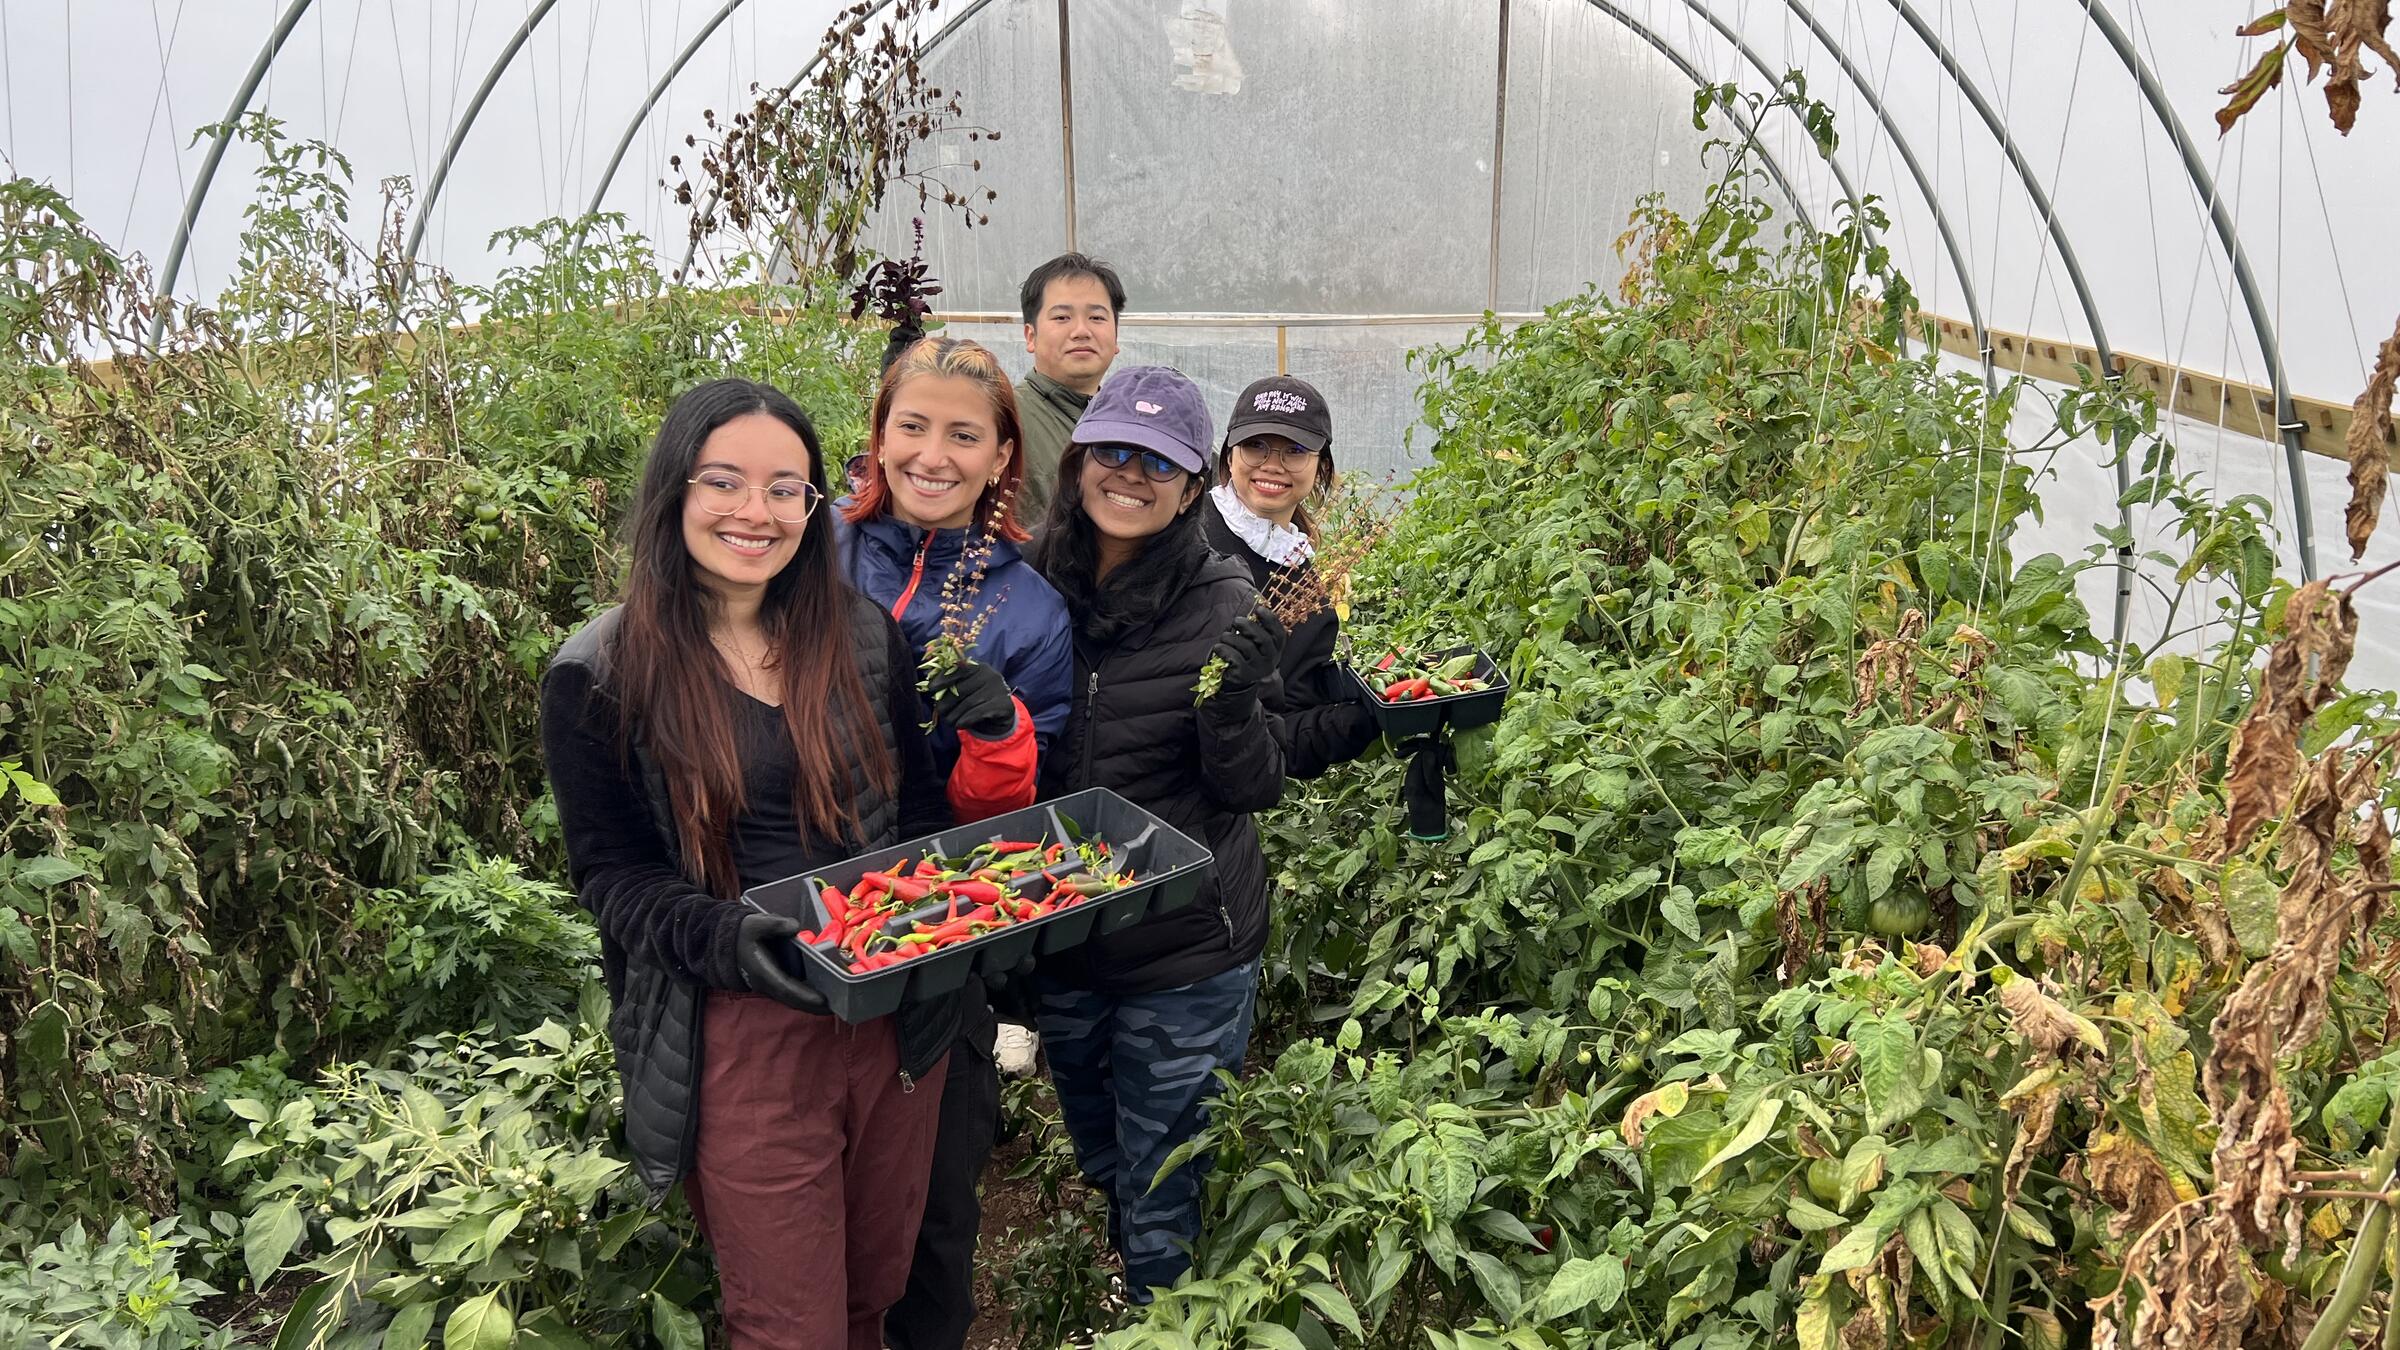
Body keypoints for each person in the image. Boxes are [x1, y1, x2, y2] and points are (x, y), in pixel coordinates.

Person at [541, 378, 958, 1350]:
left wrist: (975, 929)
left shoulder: (861, 636)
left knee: (871, 1294)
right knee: (788, 1327)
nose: (755, 512)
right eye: (725, 482)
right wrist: (732, 937)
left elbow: (922, 813)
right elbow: (614, 878)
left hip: (893, 1011)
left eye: (787, 490)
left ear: (815, 507)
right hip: (744, 1031)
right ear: (674, 493)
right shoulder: (601, 673)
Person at [1024, 365, 1288, 1300]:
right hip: (1062, 934)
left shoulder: (1224, 601)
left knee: (1168, 1175)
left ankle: (1157, 1309)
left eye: (1160, 463)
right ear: (1080, 458)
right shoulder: (1025, 583)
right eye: (1115, 452)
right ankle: (1135, 1274)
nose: (1131, 476)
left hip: (1186, 949)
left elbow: (1256, 784)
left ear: (1190, 488)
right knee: (1103, 1147)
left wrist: (1234, 708)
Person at [832, 336, 1074, 1350]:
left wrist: (995, 727)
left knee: (934, 1219)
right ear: (880, 437)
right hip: (796, 923)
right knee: (804, 1209)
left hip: (937, 939)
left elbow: (1009, 834)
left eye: (963, 435)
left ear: (1001, 458)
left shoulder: (1026, 607)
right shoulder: (812, 552)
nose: (933, 454)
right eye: (913, 426)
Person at [1200, 375, 1382, 780]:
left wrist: (1357, 720)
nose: (1272, 465)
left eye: (1295, 451)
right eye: (1255, 445)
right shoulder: (1185, 526)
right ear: (1229, 454)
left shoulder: (1308, 595)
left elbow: (1284, 736)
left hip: (1217, 799)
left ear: (1321, 468)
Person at [1013, 252, 1126, 520]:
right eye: (1062, 317)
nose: (1081, 331)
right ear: (1031, 336)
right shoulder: (1006, 416)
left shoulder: (1130, 422)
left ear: (1116, 336)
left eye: (1097, 318)